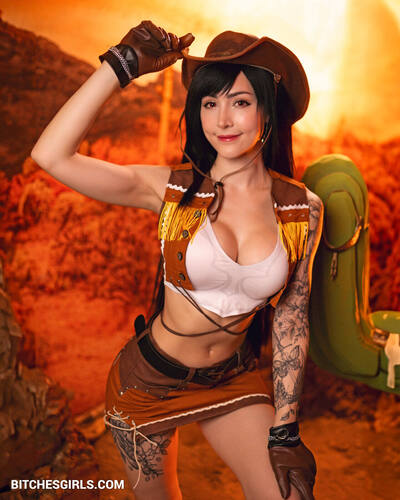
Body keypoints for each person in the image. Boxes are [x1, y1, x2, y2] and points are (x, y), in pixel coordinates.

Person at [31, 20, 323, 500]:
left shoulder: (301, 207)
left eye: (240, 102)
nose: (222, 120)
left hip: (232, 379)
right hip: (148, 384)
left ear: (268, 110)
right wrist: (120, 66)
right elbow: (51, 155)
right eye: (209, 103)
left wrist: (286, 430)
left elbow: (292, 319)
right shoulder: (170, 188)